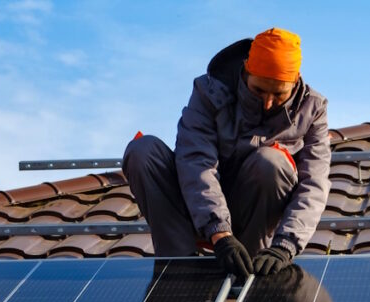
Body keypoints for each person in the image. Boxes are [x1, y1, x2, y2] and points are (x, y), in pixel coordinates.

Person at [122, 28, 330, 277]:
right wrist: (220, 233)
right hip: (197, 210)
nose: (267, 102)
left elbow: (314, 184)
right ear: (245, 71)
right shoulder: (209, 92)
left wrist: (285, 246)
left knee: (271, 163)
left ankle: (250, 272)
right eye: (259, 90)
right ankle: (178, 268)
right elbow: (196, 162)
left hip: (254, 219)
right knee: (143, 151)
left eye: (278, 94)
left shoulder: (312, 110)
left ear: (295, 81)